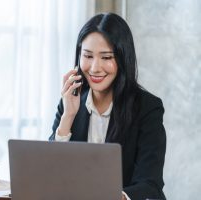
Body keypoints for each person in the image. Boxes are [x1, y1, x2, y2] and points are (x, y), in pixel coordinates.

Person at [49, 13, 166, 200]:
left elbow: (150, 184)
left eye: (106, 57)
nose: (95, 68)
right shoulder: (70, 103)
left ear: (122, 59)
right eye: (87, 56)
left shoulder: (147, 108)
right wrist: (68, 117)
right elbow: (50, 174)